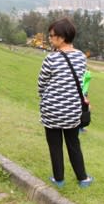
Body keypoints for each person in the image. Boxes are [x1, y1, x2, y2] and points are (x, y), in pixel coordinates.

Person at [37, 18, 93, 188]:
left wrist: (47, 98)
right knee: (73, 143)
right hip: (72, 111)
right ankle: (83, 178)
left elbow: (41, 84)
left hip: (51, 110)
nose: (50, 39)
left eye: (51, 36)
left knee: (55, 146)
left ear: (61, 38)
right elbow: (82, 82)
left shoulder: (50, 59)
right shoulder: (81, 57)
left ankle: (59, 179)